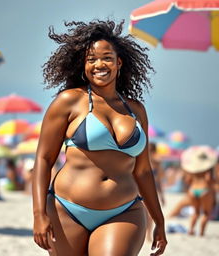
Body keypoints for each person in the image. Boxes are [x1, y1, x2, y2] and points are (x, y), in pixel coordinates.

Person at [32, 20, 167, 256]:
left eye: (106, 57)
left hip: (124, 211)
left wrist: (159, 221)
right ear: (83, 65)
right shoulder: (69, 101)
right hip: (67, 209)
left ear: (119, 62)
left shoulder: (136, 109)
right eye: (91, 59)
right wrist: (38, 214)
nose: (99, 65)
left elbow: (143, 171)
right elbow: (44, 159)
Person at [180, 145, 217, 236]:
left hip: (193, 190)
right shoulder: (208, 169)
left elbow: (187, 180)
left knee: (195, 212)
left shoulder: (193, 170)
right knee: (206, 213)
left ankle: (191, 230)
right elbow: (208, 180)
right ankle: (201, 233)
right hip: (204, 190)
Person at [146, 142, 165, 241]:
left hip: (153, 190)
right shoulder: (141, 159)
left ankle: (148, 234)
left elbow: (159, 180)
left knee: (150, 214)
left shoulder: (157, 162)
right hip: (141, 189)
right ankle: (145, 234)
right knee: (144, 213)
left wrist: (162, 196)